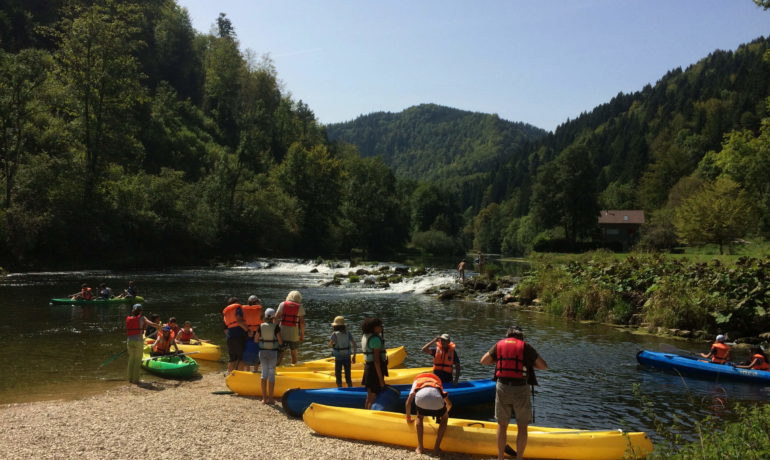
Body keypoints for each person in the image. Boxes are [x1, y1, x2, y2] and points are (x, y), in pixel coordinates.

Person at [480, 325, 548, 460]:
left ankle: (500, 457)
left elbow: (484, 361)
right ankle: (519, 458)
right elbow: (543, 366)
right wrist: (528, 363)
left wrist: (499, 361)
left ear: (508, 335)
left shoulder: (499, 345)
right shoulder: (525, 346)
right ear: (521, 336)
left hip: (502, 387)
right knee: (522, 427)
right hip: (521, 389)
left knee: (502, 424)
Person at [405, 372, 453, 455]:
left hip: (421, 397)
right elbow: (449, 404)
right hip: (436, 398)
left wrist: (408, 418)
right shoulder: (437, 382)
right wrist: (444, 414)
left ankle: (420, 448)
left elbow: (408, 403)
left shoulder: (417, 381)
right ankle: (436, 448)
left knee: (419, 417)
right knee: (445, 418)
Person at [126, 304, 160, 384]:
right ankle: (136, 380)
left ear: (133, 311)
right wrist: (159, 326)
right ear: (141, 311)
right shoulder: (142, 318)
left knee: (131, 360)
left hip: (129, 341)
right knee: (137, 360)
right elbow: (151, 323)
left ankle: (130, 379)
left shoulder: (128, 318)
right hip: (138, 341)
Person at [256, 308, 283, 404]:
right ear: (273, 317)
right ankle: (271, 398)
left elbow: (256, 340)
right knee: (271, 374)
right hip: (272, 352)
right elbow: (280, 341)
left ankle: (264, 399)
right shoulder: (276, 327)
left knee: (264, 373)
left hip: (262, 352)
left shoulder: (260, 326)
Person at [361, 317, 388, 409]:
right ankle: (370, 417)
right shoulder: (375, 339)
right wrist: (381, 380)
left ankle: (366, 414)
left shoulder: (365, 336)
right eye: (379, 326)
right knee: (373, 397)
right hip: (374, 370)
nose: (381, 328)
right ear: (374, 327)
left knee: (369, 397)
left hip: (368, 368)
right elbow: (377, 361)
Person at [275, 290, 306, 365]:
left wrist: (275, 331)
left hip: (282, 332)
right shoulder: (300, 307)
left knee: (280, 352)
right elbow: (301, 322)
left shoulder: (282, 304)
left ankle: (276, 368)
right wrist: (302, 334)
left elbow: (276, 318)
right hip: (294, 333)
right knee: (294, 353)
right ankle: (294, 368)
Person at [329, 316, 357, 387]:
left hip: (338, 358)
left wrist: (333, 344)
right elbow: (354, 344)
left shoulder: (334, 334)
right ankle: (350, 387)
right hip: (347, 357)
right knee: (348, 374)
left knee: (338, 375)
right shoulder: (348, 333)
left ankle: (339, 388)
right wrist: (354, 356)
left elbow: (330, 345)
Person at [223, 297, 248, 374]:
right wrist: (247, 330)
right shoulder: (237, 308)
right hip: (239, 336)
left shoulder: (226, 313)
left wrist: (230, 335)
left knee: (232, 358)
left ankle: (229, 374)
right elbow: (239, 320)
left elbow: (225, 330)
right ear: (236, 303)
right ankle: (240, 375)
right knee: (242, 358)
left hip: (230, 337)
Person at [242, 295, 263, 372]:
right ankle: (255, 370)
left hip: (247, 332)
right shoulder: (259, 309)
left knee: (247, 350)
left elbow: (242, 321)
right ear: (256, 302)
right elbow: (262, 320)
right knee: (257, 350)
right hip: (257, 332)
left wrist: (247, 330)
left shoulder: (244, 310)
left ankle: (247, 370)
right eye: (258, 301)